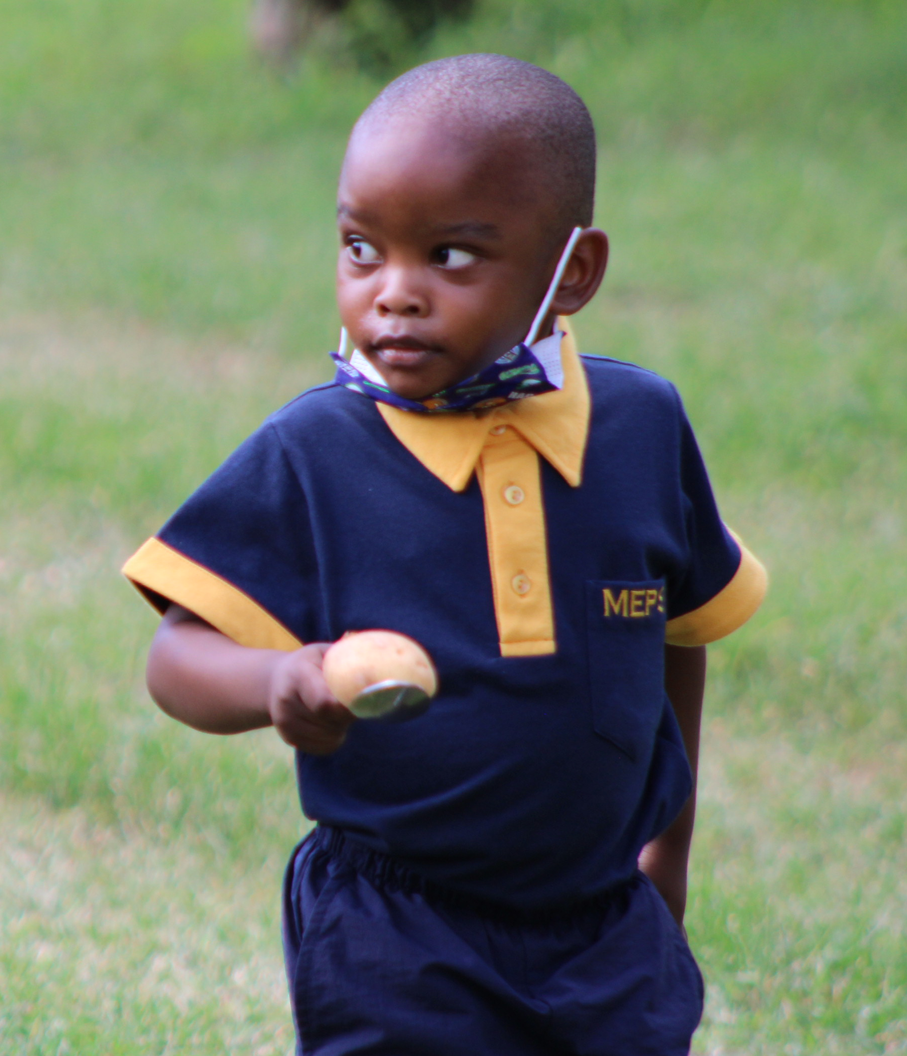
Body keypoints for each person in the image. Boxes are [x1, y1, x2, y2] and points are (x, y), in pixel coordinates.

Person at [126, 53, 766, 1054]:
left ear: (574, 271)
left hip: (605, 923)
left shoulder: (638, 427)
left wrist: (665, 851)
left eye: (451, 256)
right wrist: (276, 679)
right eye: (358, 248)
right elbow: (175, 657)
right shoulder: (315, 451)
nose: (393, 293)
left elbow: (679, 631)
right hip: (395, 926)